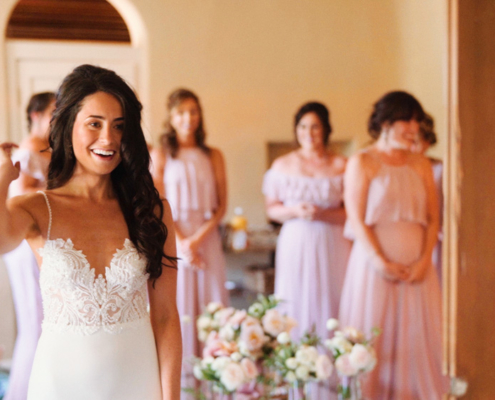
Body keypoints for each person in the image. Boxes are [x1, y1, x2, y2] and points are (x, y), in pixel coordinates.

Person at [0, 64, 182, 400]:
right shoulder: (38, 209)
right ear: (68, 127)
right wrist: (1, 180)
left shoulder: (152, 212)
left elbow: (167, 317)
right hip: (59, 384)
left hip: (138, 381)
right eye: (94, 124)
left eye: (119, 126)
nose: (108, 139)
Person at [339, 91, 446, 399]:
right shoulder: (363, 161)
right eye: (407, 120)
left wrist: (425, 260)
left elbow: (433, 218)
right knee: (374, 333)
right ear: (386, 122)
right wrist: (379, 261)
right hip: (373, 263)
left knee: (419, 336)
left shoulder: (421, 163)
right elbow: (356, 218)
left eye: (417, 120)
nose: (414, 127)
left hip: (417, 264)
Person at [150, 88, 228, 395]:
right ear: (171, 117)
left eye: (193, 111)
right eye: (181, 112)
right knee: (178, 307)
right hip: (174, 236)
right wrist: (182, 241)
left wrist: (197, 239)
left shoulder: (214, 155)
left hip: (206, 239)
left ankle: (215, 380)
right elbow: (158, 200)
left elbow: (222, 205)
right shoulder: (162, 154)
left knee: (211, 306)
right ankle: (180, 386)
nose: (188, 118)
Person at [263, 101, 350, 339]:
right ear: (296, 130)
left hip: (332, 240)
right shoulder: (283, 165)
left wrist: (322, 214)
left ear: (325, 129)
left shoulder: (342, 165)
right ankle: (296, 358)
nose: (308, 133)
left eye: (315, 127)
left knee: (333, 293)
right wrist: (295, 211)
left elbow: (351, 213)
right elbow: (272, 209)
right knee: (296, 294)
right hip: (296, 240)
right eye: (303, 127)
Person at [3, 92, 55, 400]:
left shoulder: (47, 149)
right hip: (25, 240)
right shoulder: (28, 149)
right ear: (35, 116)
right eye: (53, 112)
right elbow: (21, 195)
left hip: (39, 237)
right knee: (36, 321)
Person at [411, 113, 443, 282]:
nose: (410, 148)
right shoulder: (402, 170)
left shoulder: (440, 170)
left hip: (434, 240)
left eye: (415, 143)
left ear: (427, 142)